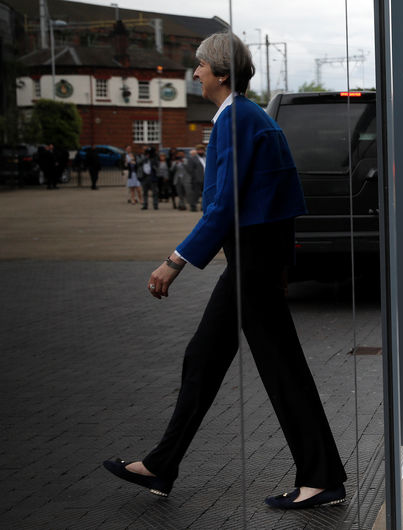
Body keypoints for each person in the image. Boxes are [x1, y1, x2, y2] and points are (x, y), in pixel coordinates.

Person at [102, 31, 347, 510]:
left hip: (250, 262)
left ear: (218, 73)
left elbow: (222, 206)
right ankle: (163, 463)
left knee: (274, 368)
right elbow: (287, 199)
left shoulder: (236, 120)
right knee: (208, 358)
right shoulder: (251, 117)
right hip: (259, 261)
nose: (194, 73)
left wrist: (175, 262)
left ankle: (321, 478)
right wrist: (283, 266)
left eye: (199, 66)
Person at [185, 145, 205, 212]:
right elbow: (189, 169)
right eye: (199, 150)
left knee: (205, 194)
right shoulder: (192, 159)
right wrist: (195, 176)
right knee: (195, 194)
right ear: (197, 151)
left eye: (202, 150)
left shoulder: (206, 158)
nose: (201, 151)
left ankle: (204, 206)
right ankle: (193, 206)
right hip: (196, 179)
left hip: (205, 179)